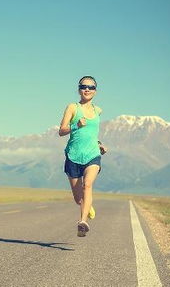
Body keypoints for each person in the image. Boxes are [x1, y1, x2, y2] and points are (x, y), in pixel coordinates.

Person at [58, 75, 107, 237]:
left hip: (92, 154)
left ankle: (82, 222)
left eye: (91, 87)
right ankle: (87, 206)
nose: (87, 89)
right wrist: (75, 125)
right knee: (78, 199)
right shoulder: (73, 107)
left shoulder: (97, 110)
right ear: (79, 89)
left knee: (87, 185)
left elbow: (92, 133)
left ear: (95, 91)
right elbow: (61, 131)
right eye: (84, 86)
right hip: (73, 156)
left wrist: (99, 144)